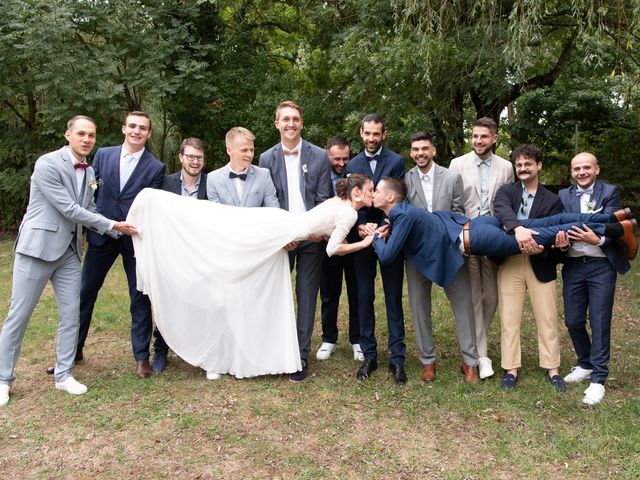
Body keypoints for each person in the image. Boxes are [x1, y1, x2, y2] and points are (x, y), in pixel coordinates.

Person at [127, 174, 376, 379]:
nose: (373, 194)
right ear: (356, 193)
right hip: (283, 233)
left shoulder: (340, 203)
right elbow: (334, 249)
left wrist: (328, 235)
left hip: (280, 222)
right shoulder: (350, 214)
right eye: (371, 190)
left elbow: (325, 230)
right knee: (231, 250)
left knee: (229, 227)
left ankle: (238, 350)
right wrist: (364, 243)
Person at [0, 116, 136, 407]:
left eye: (92, 135)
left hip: (70, 253)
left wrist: (124, 228)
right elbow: (69, 209)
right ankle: (3, 379)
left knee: (72, 313)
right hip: (37, 249)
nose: (87, 139)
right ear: (68, 135)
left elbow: (89, 208)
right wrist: (113, 225)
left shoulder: (88, 172)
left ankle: (64, 375)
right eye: (82, 134)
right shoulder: (47, 164)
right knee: (19, 315)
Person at [370, 177, 636, 289]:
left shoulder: (401, 214)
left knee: (547, 232)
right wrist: (388, 228)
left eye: (377, 191)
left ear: (390, 196)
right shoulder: (401, 213)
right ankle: (612, 216)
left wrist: (375, 239)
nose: (373, 194)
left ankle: (614, 230)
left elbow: (388, 256)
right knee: (551, 221)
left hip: (478, 238)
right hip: (479, 225)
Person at [77, 111, 165, 379]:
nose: (137, 131)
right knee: (84, 293)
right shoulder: (103, 155)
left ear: (149, 134)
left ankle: (141, 357)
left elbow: (151, 207)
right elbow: (93, 187)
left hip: (133, 239)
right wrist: (96, 221)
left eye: (143, 128)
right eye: (133, 126)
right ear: (124, 129)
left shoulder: (155, 168)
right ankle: (73, 349)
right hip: (102, 235)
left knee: (139, 297)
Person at [259, 101, 333, 382]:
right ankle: (274, 351)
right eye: (285, 119)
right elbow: (267, 201)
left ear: (302, 123)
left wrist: (317, 228)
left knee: (306, 296)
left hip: (312, 235)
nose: (291, 124)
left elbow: (324, 198)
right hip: (281, 239)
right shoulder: (266, 158)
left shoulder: (319, 155)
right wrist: (281, 234)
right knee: (273, 294)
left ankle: (300, 356)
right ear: (277, 123)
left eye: (296, 119)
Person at [558, 152, 633, 405]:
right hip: (574, 264)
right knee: (573, 320)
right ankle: (585, 362)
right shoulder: (563, 196)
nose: (582, 172)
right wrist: (559, 242)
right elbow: (559, 227)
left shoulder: (610, 192)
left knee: (600, 321)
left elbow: (615, 225)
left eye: (586, 167)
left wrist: (598, 239)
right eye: (577, 168)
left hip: (602, 265)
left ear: (597, 169)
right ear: (572, 172)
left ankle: (598, 379)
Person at [404, 131, 479, 384]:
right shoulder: (406, 179)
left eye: (424, 148)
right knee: (419, 305)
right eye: (415, 149)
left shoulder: (451, 177)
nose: (420, 153)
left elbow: (458, 212)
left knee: (463, 305)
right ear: (411, 153)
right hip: (417, 252)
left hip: (449, 251)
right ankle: (427, 361)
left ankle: (470, 363)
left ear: (433, 150)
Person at [493, 144, 566, 391]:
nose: (523, 168)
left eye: (528, 164)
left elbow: (556, 232)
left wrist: (543, 248)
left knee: (547, 317)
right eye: (519, 165)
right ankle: (511, 369)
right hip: (510, 261)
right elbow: (501, 213)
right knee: (509, 318)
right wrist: (519, 229)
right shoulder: (506, 192)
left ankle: (552, 368)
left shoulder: (553, 200)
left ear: (539, 165)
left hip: (540, 262)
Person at [449, 117, 514, 379]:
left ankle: (476, 344)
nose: (478, 141)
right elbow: (454, 203)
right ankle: (482, 357)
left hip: (495, 238)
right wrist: (460, 232)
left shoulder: (506, 167)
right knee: (474, 297)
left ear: (494, 138)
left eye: (483, 136)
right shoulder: (457, 164)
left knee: (492, 298)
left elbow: (508, 202)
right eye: (474, 136)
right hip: (468, 237)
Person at [345, 114, 408, 385]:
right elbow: (351, 201)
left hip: (389, 234)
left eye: (376, 134)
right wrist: (360, 225)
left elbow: (400, 198)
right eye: (367, 133)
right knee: (363, 296)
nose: (371, 138)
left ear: (384, 134)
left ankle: (398, 359)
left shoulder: (395, 161)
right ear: (361, 133)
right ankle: (369, 354)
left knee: (393, 297)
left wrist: (387, 225)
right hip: (362, 239)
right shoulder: (353, 164)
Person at [150, 137, 209, 373]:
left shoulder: (211, 184)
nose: (195, 161)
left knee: (202, 302)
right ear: (181, 157)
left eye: (199, 157)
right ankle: (161, 349)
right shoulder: (165, 184)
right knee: (168, 301)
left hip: (202, 253)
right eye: (191, 156)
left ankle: (201, 350)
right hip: (172, 252)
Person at [316, 135, 362, 362]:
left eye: (345, 158)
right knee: (329, 294)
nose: (342, 163)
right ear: (328, 156)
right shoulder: (321, 176)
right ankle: (329, 338)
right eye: (337, 158)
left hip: (353, 243)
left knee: (356, 293)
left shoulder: (356, 177)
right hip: (327, 244)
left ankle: (357, 340)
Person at [207, 127, 279, 208]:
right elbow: (216, 215)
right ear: (229, 150)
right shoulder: (213, 179)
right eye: (244, 150)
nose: (250, 155)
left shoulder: (264, 175)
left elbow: (273, 210)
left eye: (251, 150)